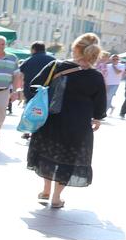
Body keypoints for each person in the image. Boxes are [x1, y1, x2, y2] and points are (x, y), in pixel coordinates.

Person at [27, 32, 106, 209]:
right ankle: (56, 197)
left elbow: (34, 85)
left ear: (75, 48)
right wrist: (97, 119)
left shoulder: (57, 66)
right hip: (78, 124)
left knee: (48, 153)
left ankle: (45, 190)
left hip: (52, 119)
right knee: (67, 159)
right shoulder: (96, 76)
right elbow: (100, 103)